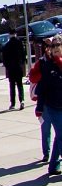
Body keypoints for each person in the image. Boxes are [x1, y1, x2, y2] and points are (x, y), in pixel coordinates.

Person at [34, 36, 62, 177]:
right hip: (53, 106)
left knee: (59, 137)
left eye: (59, 45)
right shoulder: (47, 65)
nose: (56, 48)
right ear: (49, 49)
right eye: (54, 46)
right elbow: (42, 88)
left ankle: (53, 166)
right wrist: (39, 108)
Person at [2, 32, 28, 111]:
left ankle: (13, 103)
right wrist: (22, 63)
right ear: (16, 34)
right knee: (20, 85)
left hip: (11, 68)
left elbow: (4, 58)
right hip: (18, 67)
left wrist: (7, 66)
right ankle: (22, 100)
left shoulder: (7, 45)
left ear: (9, 35)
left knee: (12, 86)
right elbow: (24, 55)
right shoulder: (19, 43)